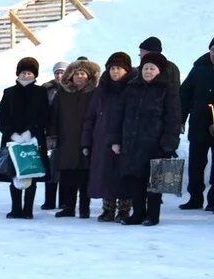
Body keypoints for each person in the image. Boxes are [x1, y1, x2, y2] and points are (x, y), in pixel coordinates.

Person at [110, 52, 181, 226]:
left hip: (156, 144)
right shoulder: (132, 88)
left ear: (159, 71)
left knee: (155, 182)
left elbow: (173, 118)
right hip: (132, 143)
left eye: (152, 68)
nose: (148, 71)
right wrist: (116, 139)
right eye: (145, 68)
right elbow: (119, 116)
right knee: (135, 180)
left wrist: (168, 144)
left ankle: (152, 216)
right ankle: (138, 213)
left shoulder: (167, 89)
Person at [0, 57, 49, 220]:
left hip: (33, 139)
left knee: (30, 173)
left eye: (29, 72)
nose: (26, 75)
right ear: (18, 74)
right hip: (13, 140)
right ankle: (16, 208)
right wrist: (11, 133)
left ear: (35, 75)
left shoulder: (41, 92)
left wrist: (30, 132)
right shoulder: (9, 92)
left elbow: (44, 115)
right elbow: (2, 116)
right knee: (15, 174)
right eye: (23, 72)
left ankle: (28, 210)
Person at [82, 52, 133, 222]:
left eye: (118, 68)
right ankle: (108, 209)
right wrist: (86, 141)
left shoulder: (133, 87)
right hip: (102, 138)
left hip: (125, 137)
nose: (114, 71)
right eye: (112, 68)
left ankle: (124, 209)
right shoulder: (101, 89)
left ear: (126, 70)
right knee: (105, 174)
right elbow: (90, 116)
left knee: (123, 174)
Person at [49, 59, 100, 217]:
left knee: (85, 176)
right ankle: (68, 207)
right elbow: (53, 116)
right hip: (67, 140)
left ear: (89, 76)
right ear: (70, 76)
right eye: (76, 74)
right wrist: (51, 136)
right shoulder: (62, 94)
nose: (79, 76)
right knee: (67, 176)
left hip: (88, 140)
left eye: (82, 73)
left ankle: (85, 208)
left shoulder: (95, 94)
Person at [179, 37, 214, 211]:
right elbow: (184, 95)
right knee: (196, 164)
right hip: (199, 123)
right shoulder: (198, 69)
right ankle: (195, 198)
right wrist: (181, 119)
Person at [41, 61, 68, 210]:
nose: (59, 75)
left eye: (62, 72)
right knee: (50, 168)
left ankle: (64, 201)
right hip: (50, 132)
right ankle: (49, 200)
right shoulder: (47, 89)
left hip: (67, 133)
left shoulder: (71, 88)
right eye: (57, 72)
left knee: (63, 168)